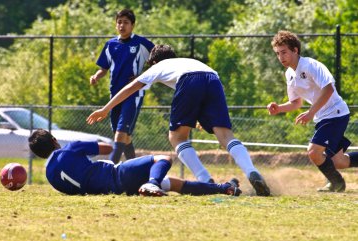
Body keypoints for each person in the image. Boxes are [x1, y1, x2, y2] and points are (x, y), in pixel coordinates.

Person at [86, 44, 270, 196]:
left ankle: (206, 181)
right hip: (213, 79)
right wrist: (201, 114)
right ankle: (251, 171)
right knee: (225, 135)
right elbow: (203, 86)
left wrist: (105, 109)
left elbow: (131, 88)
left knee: (177, 137)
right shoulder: (190, 62)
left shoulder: (159, 66)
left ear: (155, 61)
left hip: (189, 81)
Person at [267, 30, 358, 192]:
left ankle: (337, 184)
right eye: (278, 54)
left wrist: (310, 112)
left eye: (284, 52)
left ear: (295, 50)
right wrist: (279, 108)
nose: (281, 57)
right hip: (323, 117)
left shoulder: (310, 65)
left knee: (314, 153)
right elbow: (295, 103)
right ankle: (335, 180)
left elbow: (329, 88)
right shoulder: (289, 74)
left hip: (335, 114)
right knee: (338, 162)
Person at [28, 129, 242, 197]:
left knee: (175, 184)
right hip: (118, 177)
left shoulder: (50, 176)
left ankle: (224, 188)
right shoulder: (70, 148)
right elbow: (108, 148)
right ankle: (151, 183)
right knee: (163, 159)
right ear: (54, 140)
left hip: (111, 191)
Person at [89, 9, 155, 164]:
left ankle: (110, 172)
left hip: (133, 94)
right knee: (124, 137)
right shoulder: (111, 44)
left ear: (132, 25)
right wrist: (96, 76)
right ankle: (136, 169)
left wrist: (142, 76)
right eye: (119, 22)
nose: (122, 25)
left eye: (126, 22)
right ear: (115, 24)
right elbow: (103, 68)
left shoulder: (141, 43)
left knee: (120, 134)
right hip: (115, 95)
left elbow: (159, 61)